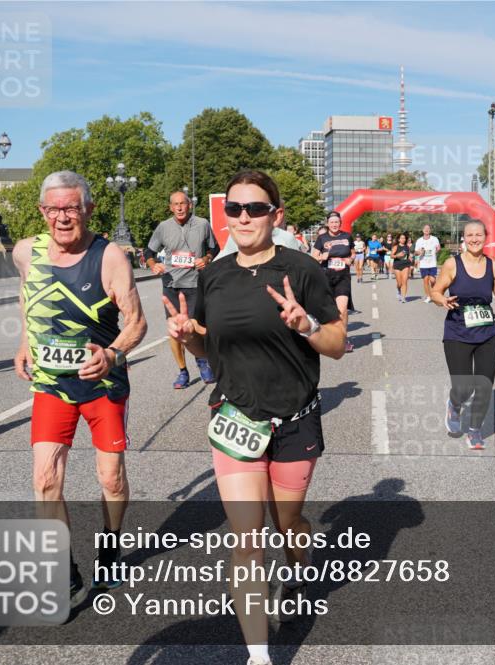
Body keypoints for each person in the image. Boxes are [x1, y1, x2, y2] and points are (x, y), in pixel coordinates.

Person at [165, 170, 345, 665]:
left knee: (288, 524)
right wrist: (187, 336)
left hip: (295, 421)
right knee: (246, 539)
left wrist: (305, 324)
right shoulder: (214, 275)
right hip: (236, 421)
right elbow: (209, 346)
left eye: (256, 208)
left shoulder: (303, 270)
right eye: (235, 209)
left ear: (276, 216)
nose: (244, 217)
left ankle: (298, 559)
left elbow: (338, 346)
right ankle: (259, 655)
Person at [12, 171, 148, 606]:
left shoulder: (109, 257)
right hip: (51, 384)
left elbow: (137, 322)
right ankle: (64, 570)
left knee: (110, 477)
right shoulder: (24, 252)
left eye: (71, 207)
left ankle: (110, 542)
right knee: (45, 477)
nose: (62, 217)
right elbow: (25, 293)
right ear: (42, 211)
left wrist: (110, 354)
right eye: (54, 209)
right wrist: (24, 342)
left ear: (88, 209)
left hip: (102, 383)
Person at [430, 221, 495, 450]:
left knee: (485, 385)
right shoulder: (452, 264)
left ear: (485, 237)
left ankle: (475, 430)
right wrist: (442, 300)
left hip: (487, 332)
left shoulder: (493, 266)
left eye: (478, 235)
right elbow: (436, 291)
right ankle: (454, 405)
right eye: (470, 235)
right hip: (457, 332)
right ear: (464, 238)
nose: (474, 239)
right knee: (463, 387)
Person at [146, 191, 219, 389]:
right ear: (170, 207)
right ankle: (182, 371)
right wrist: (153, 265)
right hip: (171, 284)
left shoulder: (202, 224)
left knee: (194, 326)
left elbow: (215, 249)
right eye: (175, 204)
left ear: (189, 205)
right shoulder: (163, 227)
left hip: (195, 284)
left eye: (182, 204)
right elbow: (149, 252)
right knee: (175, 329)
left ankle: (202, 361)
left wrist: (206, 259)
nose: (179, 207)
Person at [312, 212, 355, 352]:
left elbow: (353, 252)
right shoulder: (322, 238)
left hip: (343, 276)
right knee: (328, 311)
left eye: (337, 222)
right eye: (332, 222)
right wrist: (322, 256)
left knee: (342, 310)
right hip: (325, 276)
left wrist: (351, 259)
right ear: (327, 223)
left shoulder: (347, 236)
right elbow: (314, 256)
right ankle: (327, 338)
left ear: (340, 223)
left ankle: (343, 340)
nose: (334, 224)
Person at [415, 224, 442, 303]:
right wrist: (420, 252)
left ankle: (434, 293)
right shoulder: (419, 240)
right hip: (423, 264)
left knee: (433, 280)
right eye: (425, 228)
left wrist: (436, 251)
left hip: (432, 263)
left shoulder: (435, 239)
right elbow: (416, 252)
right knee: (425, 280)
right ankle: (429, 296)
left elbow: (438, 247)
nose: (426, 230)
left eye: (428, 228)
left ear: (430, 230)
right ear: (423, 230)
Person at [391, 232, 413, 302]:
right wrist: (397, 255)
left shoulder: (407, 247)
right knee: (399, 283)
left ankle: (403, 297)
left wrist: (410, 257)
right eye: (401, 238)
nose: (403, 239)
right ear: (398, 239)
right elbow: (391, 256)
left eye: (404, 238)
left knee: (405, 282)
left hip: (406, 265)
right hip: (397, 265)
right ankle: (398, 290)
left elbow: (408, 255)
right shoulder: (395, 247)